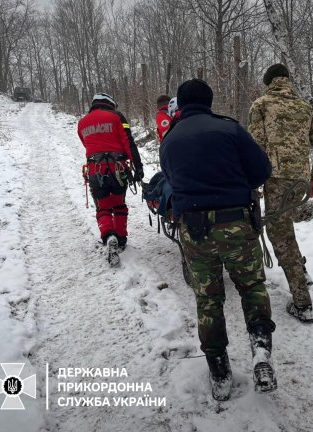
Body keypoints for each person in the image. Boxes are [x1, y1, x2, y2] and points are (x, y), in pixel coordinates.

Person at [160, 78, 276, 401]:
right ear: (210, 102)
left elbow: (170, 179)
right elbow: (262, 170)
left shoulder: (169, 141)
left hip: (195, 230)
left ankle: (219, 371)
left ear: (180, 106)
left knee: (208, 299)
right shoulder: (231, 130)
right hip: (237, 223)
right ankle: (261, 350)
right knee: (252, 287)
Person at [248, 63, 313, 323]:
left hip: (277, 180)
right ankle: (301, 273)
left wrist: (252, 182)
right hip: (300, 183)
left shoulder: (261, 105)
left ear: (269, 82)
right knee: (285, 230)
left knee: (280, 237)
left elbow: (255, 147)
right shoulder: (305, 107)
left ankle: (302, 303)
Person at [78, 93, 144, 254]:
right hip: (118, 169)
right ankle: (121, 239)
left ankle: (108, 236)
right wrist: (138, 166)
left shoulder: (82, 123)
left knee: (102, 207)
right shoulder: (117, 117)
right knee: (119, 204)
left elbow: (86, 144)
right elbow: (128, 142)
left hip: (95, 170)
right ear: (110, 104)